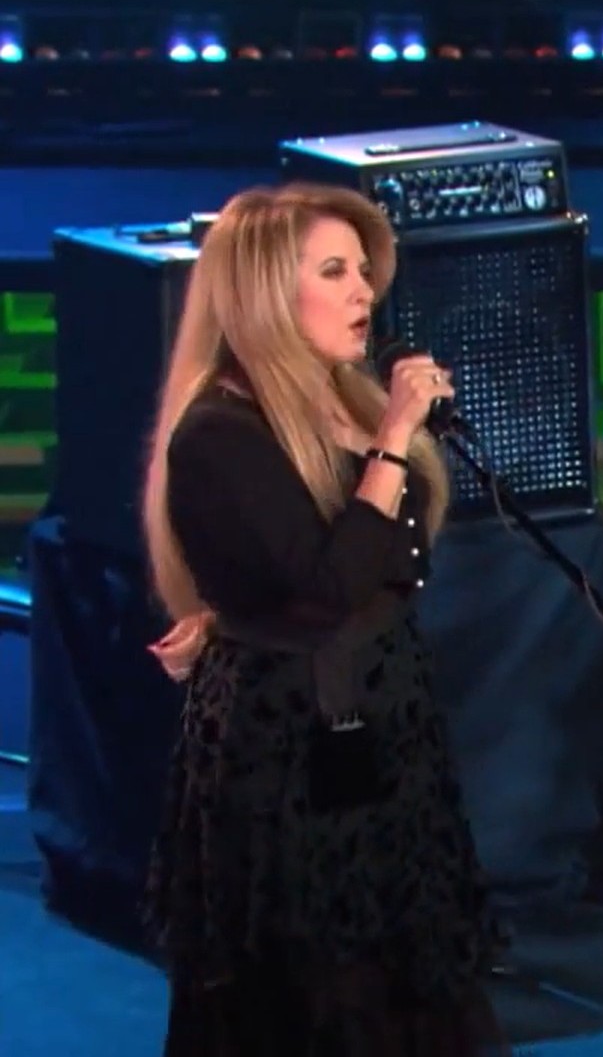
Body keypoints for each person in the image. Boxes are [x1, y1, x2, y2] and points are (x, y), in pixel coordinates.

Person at [139, 183, 511, 1055]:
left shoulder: (345, 399)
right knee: (316, 993)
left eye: (364, 272)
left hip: (389, 725)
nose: (363, 293)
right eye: (335, 271)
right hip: (290, 753)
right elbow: (326, 582)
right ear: (268, 293)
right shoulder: (220, 432)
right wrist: (393, 437)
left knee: (410, 981)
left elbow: (380, 567)